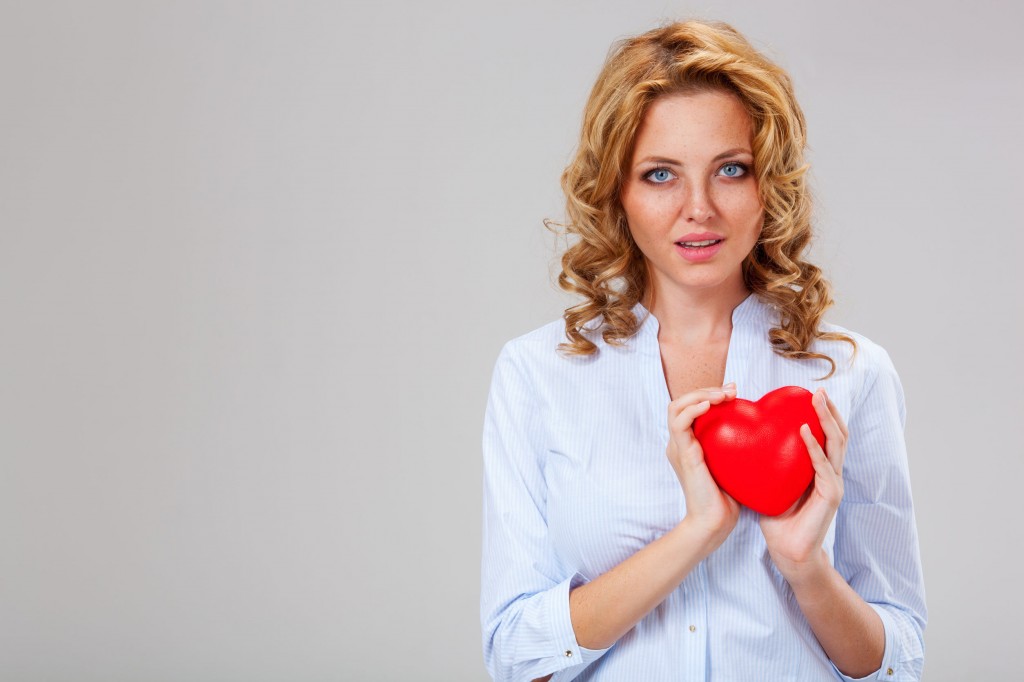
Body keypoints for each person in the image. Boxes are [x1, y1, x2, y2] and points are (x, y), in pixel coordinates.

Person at [479, 19, 926, 682]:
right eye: (660, 174)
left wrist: (806, 569)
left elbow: (899, 661)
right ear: (618, 192)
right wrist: (698, 532)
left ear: (767, 184)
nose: (699, 209)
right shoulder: (538, 374)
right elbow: (516, 654)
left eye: (730, 170)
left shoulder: (852, 372)